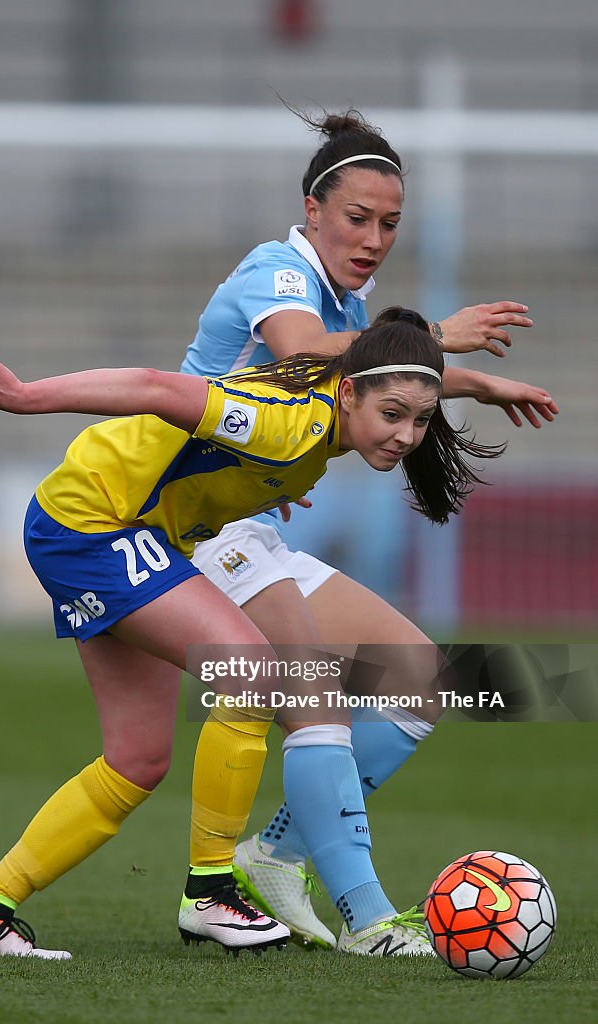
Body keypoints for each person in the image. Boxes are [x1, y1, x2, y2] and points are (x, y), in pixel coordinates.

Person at [0, 308, 501, 960]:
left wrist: (254, 486)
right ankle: (210, 893)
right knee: (253, 670)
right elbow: (154, 388)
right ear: (348, 393)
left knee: (137, 760)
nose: (407, 435)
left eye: (422, 420)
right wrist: (23, 397)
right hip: (94, 526)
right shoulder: (290, 425)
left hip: (120, 532)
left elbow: (231, 440)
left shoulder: (317, 424)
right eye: (393, 414)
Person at [180, 107, 559, 954]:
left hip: (241, 525)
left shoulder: (343, 295)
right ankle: (366, 918)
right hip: (185, 525)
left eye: (391, 223)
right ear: (311, 209)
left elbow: (338, 376)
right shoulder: (278, 271)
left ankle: (269, 856)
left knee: (421, 680)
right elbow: (308, 354)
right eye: (358, 217)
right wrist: (431, 338)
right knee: (312, 700)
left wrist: (467, 384)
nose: (375, 237)